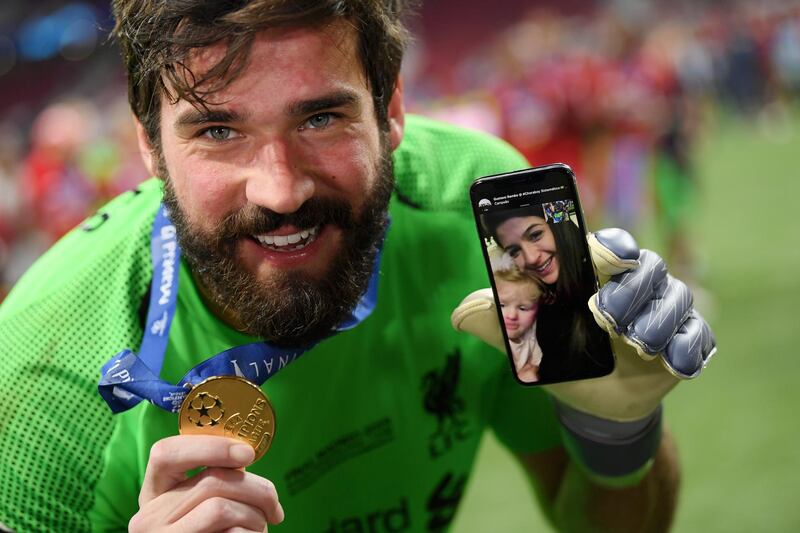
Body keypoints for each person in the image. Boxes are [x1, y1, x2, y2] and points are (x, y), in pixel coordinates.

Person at [0, 2, 715, 532]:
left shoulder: (500, 209)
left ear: (392, 107)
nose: (280, 190)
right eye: (218, 130)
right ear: (150, 146)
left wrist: (619, 436)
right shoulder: (36, 377)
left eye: (320, 118)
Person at [482, 205, 615, 384]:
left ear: (558, 226)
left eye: (535, 235)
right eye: (514, 251)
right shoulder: (538, 307)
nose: (530, 258)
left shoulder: (606, 280)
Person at [494, 265, 543, 382]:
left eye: (523, 308)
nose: (511, 316)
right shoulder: (495, 336)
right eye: (502, 305)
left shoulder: (534, 331)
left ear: (538, 309)